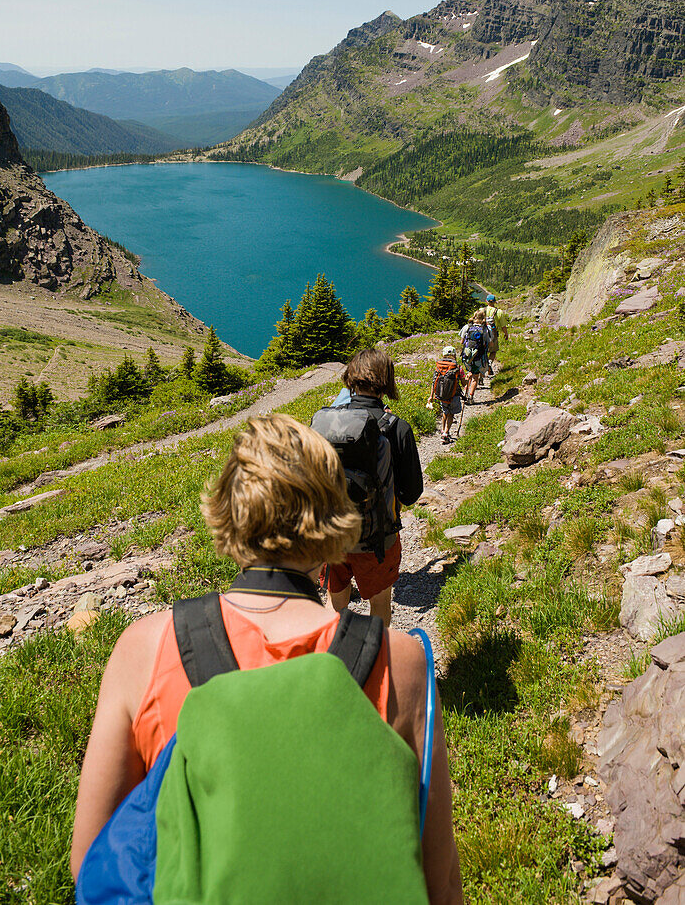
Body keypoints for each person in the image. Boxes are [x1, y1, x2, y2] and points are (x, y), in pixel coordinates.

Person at [70, 414, 463, 904]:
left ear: (226, 513)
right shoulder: (398, 660)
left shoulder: (143, 647)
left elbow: (91, 857)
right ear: (336, 518)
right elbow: (439, 881)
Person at [321, 348, 423, 627]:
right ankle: (374, 663)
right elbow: (412, 493)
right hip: (378, 539)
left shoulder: (324, 421)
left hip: (331, 536)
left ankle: (333, 661)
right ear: (386, 381)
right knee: (379, 605)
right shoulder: (395, 427)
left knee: (334, 603)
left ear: (351, 378)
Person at [428, 345, 468, 444]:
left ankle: (443, 429)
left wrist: (431, 396)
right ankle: (445, 433)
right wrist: (468, 378)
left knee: (445, 413)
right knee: (451, 414)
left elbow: (434, 382)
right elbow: (464, 383)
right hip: (454, 395)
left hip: (441, 396)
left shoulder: (439, 367)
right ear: (454, 355)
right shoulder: (458, 368)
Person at [459, 309, 489, 404]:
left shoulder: (467, 327)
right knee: (475, 377)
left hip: (467, 355)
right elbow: (488, 342)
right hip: (478, 356)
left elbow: (461, 341)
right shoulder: (484, 329)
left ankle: (465, 392)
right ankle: (471, 397)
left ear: (474, 316)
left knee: (469, 372)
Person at [485, 293, 508, 375]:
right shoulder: (499, 312)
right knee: (493, 351)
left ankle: (480, 374)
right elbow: (503, 325)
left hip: (482, 334)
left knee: (482, 352)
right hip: (493, 334)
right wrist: (506, 334)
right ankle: (489, 363)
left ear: (486, 301)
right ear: (495, 302)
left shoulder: (482, 310)